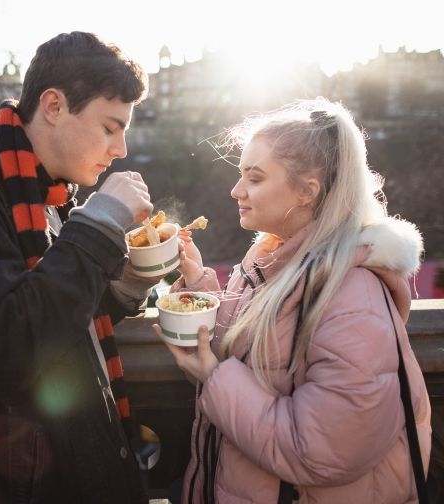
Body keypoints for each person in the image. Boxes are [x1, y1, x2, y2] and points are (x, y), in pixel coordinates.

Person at [0, 31, 159, 503]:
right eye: (109, 127)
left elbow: (58, 313)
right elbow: (11, 345)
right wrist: (100, 224)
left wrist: (127, 284)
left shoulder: (48, 193)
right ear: (55, 106)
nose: (121, 147)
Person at [154, 97, 432, 503]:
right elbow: (251, 357)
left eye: (254, 177)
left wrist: (213, 378)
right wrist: (197, 281)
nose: (236, 190)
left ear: (307, 191)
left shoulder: (352, 295)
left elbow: (322, 452)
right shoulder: (278, 258)